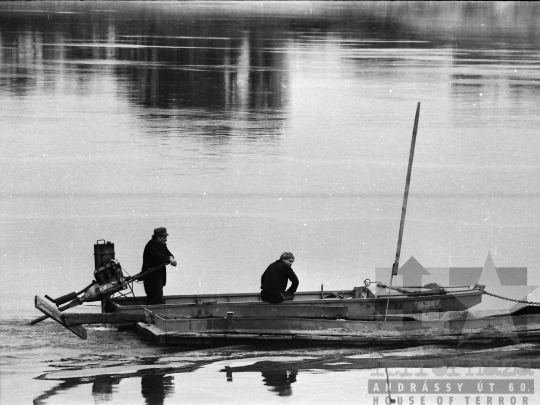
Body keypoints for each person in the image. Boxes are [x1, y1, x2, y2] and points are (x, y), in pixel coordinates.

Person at [140, 227, 177, 305]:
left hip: (158, 279)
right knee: (157, 301)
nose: (166, 239)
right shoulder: (151, 245)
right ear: (158, 237)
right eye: (164, 237)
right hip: (151, 280)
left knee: (156, 300)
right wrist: (169, 259)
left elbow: (169, 254)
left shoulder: (162, 245)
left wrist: (170, 258)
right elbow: (158, 256)